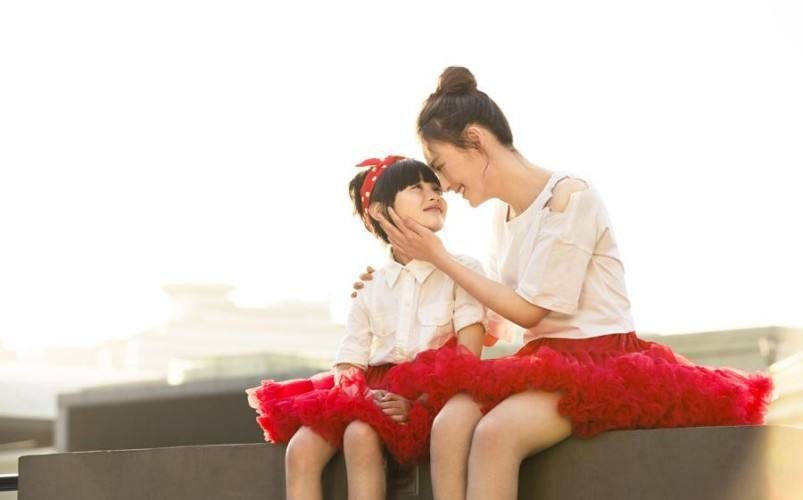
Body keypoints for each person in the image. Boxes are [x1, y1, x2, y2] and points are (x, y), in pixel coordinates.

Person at [354, 67, 773, 500]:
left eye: (440, 165)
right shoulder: (502, 215)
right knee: (450, 420)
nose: (443, 185)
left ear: (475, 140)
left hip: (599, 360)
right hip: (541, 361)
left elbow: (529, 310)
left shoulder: (570, 197)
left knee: (495, 435)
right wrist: (395, 285)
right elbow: (494, 317)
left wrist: (438, 257)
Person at [247, 155, 488, 500]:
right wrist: (360, 396)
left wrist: (419, 402)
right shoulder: (371, 285)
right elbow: (350, 359)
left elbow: (468, 355)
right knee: (300, 449)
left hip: (435, 392)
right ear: (379, 211)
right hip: (373, 389)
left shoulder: (463, 269)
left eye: (436, 188)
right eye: (416, 188)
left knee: (359, 434)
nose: (433, 195)